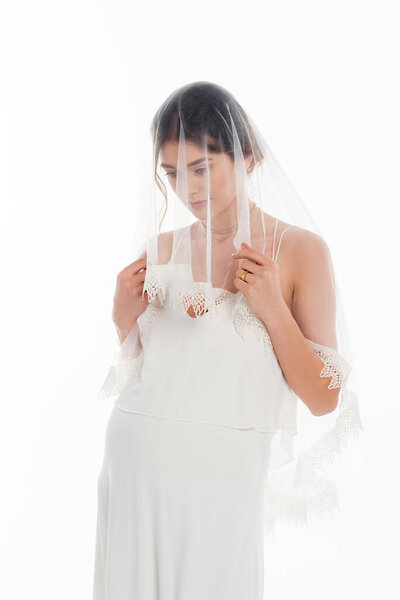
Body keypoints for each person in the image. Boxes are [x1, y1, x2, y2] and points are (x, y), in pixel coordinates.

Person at [92, 81, 363, 600]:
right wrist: (122, 317)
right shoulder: (162, 249)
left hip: (223, 476)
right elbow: (159, 367)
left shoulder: (301, 252)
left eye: (201, 168)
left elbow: (325, 399)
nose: (188, 190)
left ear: (247, 157)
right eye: (172, 174)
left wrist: (272, 309)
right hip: (135, 460)